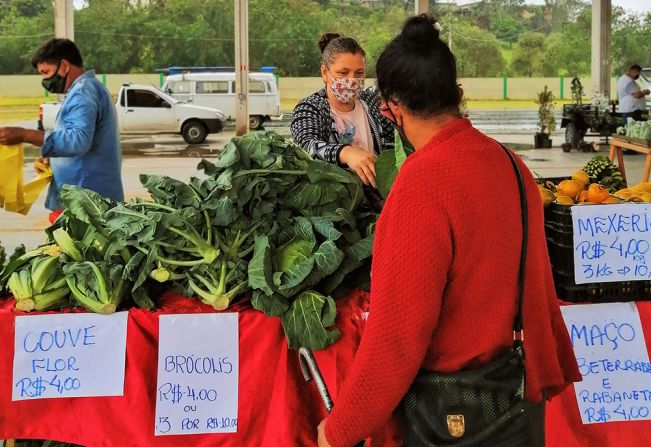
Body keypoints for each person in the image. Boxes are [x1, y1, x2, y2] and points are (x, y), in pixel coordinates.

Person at [317, 15, 580, 447]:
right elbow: (537, 291)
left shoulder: (419, 187)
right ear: (456, 95)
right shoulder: (511, 166)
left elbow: (396, 340)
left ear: (391, 109)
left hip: (448, 414)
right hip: (513, 399)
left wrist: (339, 430)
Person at [0, 38, 124, 212]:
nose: (45, 80)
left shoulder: (83, 93)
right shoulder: (86, 89)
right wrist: (54, 157)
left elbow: (78, 140)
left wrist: (24, 135)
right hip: (85, 199)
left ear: (64, 65)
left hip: (88, 202)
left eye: (46, 72)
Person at [290, 33, 394, 189]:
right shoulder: (310, 107)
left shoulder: (372, 104)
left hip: (376, 197)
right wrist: (345, 153)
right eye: (343, 73)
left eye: (359, 73)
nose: (352, 80)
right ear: (325, 73)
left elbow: (393, 136)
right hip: (336, 202)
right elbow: (305, 146)